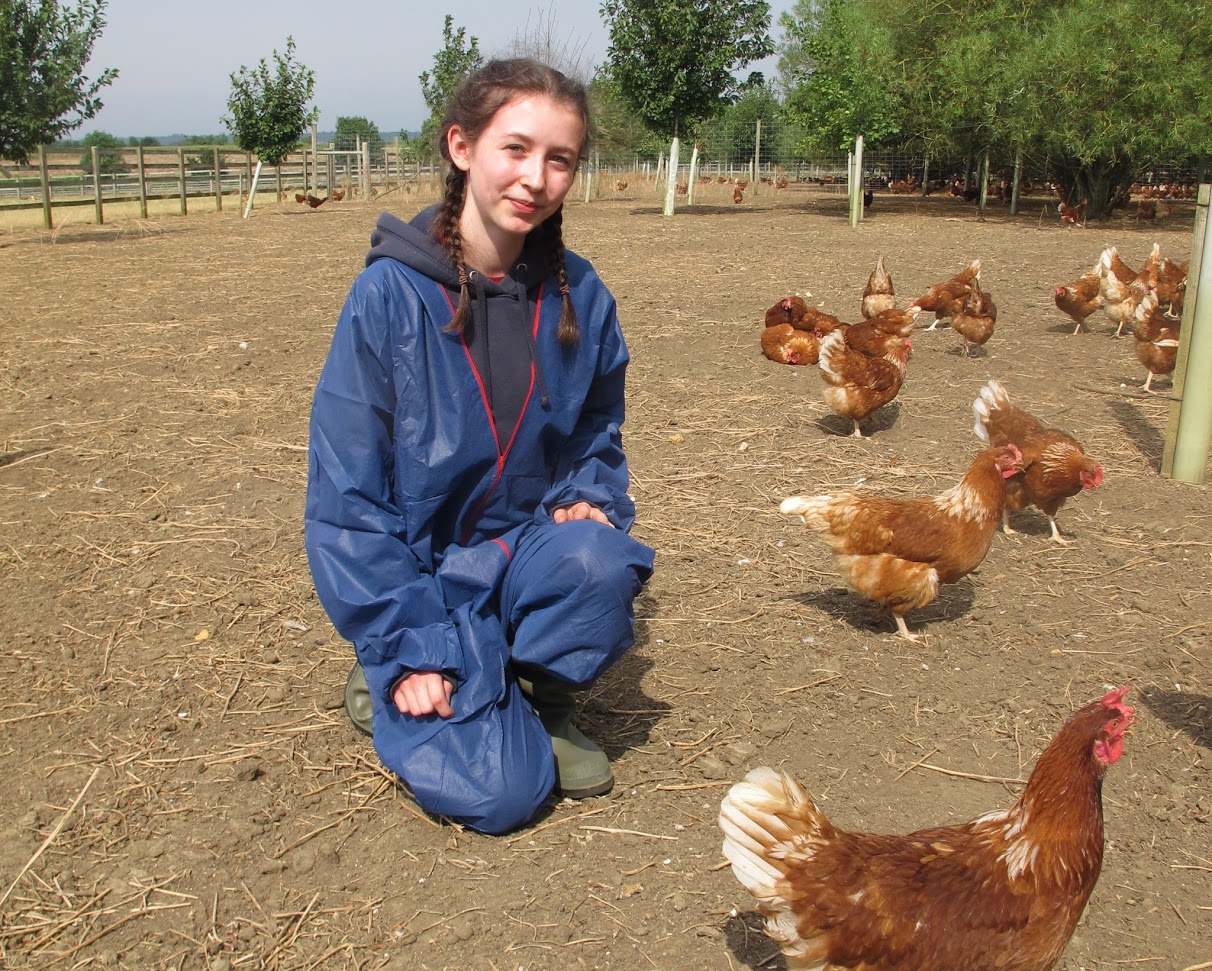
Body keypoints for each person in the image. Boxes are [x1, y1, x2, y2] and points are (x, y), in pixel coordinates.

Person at [303, 59, 655, 835]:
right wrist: (412, 643)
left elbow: (596, 429)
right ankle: (394, 667)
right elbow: (347, 499)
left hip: (519, 555)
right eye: (516, 149)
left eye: (559, 159)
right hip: (422, 582)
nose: (536, 177)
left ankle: (541, 697)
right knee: (505, 794)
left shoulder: (581, 296)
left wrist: (585, 494)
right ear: (462, 146)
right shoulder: (387, 297)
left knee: (598, 561)